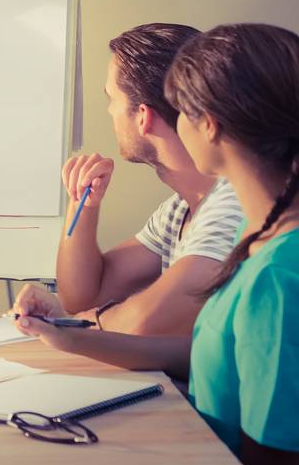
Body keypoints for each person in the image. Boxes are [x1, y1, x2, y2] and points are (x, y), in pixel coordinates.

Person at [14, 23, 299, 465]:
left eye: (182, 110)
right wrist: (73, 337)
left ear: (209, 124)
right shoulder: (264, 236)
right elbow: (212, 351)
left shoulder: (276, 271)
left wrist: (88, 322)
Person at [16, 24, 243, 335]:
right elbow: (82, 296)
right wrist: (82, 204)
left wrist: (72, 326)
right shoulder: (179, 211)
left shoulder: (233, 202)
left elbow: (144, 319)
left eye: (112, 99)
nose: (110, 112)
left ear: (143, 116)